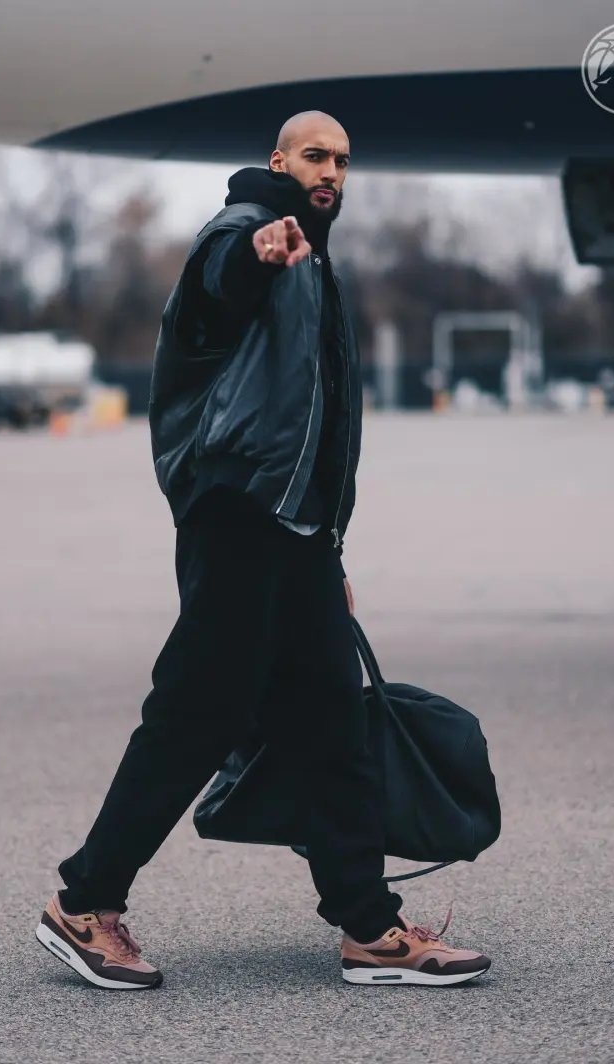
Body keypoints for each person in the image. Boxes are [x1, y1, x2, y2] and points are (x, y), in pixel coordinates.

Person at [35, 110, 491, 990]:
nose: (331, 173)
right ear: (279, 160)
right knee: (197, 712)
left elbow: (314, 421)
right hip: (241, 513)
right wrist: (258, 253)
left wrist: (331, 549)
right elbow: (216, 286)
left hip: (298, 531)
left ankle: (368, 929)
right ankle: (84, 903)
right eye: (315, 156)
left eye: (344, 162)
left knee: (333, 721)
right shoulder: (248, 230)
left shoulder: (317, 260)